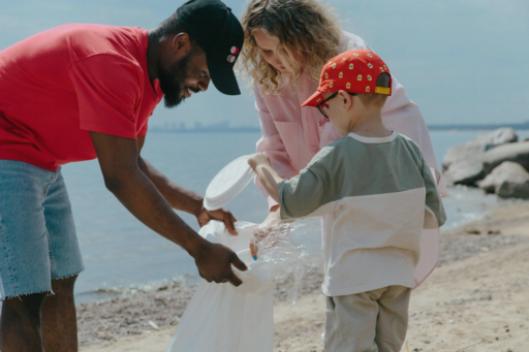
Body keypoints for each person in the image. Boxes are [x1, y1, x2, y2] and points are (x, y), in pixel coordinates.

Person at [0, 0, 247, 351]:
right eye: (204, 73)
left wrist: (198, 207)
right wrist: (198, 248)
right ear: (180, 43)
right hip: (7, 150)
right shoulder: (111, 63)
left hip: (40, 158)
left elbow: (133, 164)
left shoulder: (146, 78)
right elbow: (119, 178)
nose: (204, 86)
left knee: (62, 279)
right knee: (26, 294)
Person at [249, 49, 446, 352]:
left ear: (345, 99)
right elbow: (433, 213)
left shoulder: (336, 155)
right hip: (399, 275)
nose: (324, 115)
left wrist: (262, 166)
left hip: (354, 279)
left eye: (325, 107)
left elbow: (293, 200)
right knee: (388, 347)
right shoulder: (409, 149)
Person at [240, 0, 442, 231]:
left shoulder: (349, 57)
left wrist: (266, 172)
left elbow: (384, 127)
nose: (278, 60)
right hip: (335, 197)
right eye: (266, 51)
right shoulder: (267, 81)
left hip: (384, 184)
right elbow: (275, 148)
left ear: (305, 34)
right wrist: (277, 210)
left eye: (285, 49)